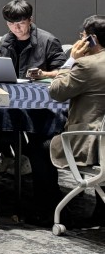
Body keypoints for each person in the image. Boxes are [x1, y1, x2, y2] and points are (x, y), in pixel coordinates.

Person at [35, 15, 105, 225]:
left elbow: (56, 92)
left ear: (91, 39)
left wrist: (71, 60)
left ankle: (48, 210)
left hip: (91, 141)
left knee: (39, 146)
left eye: (82, 36)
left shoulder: (86, 65)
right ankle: (101, 211)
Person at [0, 0, 67, 77]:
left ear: (30, 20)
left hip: (37, 84)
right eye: (11, 23)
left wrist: (44, 74)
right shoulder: (5, 41)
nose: (16, 28)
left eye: (21, 23)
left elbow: (63, 72)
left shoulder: (49, 41)